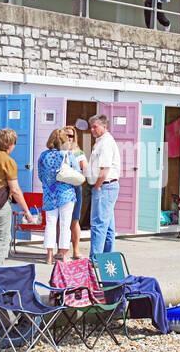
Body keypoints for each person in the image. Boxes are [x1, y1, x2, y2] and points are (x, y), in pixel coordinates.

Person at [0, 128, 38, 270]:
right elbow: (15, 190)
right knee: (0, 241)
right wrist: (27, 211)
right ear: (10, 144)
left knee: (1, 238)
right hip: (0, 205)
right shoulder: (8, 161)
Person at [37, 128, 78, 265]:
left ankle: (49, 255)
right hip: (66, 193)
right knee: (65, 225)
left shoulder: (43, 156)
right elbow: (77, 172)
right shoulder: (67, 155)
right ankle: (64, 256)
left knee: (50, 224)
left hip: (49, 194)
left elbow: (40, 176)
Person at [88, 113, 121, 255]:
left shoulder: (106, 143)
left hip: (105, 186)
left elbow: (105, 168)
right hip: (107, 186)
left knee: (98, 224)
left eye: (95, 127)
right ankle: (107, 257)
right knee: (107, 225)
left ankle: (95, 258)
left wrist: (97, 185)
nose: (92, 130)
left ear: (104, 127)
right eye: (91, 127)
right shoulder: (101, 141)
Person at [62, 124, 89, 258]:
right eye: (66, 135)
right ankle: (60, 251)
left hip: (75, 188)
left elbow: (85, 167)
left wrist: (78, 176)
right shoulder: (57, 151)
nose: (68, 138)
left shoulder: (78, 152)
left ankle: (76, 250)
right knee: (61, 221)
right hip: (61, 188)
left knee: (74, 220)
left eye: (71, 135)